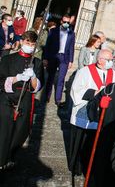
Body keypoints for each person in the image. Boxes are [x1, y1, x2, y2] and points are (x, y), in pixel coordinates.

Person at [68, 49, 115, 176]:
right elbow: (75, 90)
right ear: (100, 60)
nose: (111, 63)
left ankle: (87, 165)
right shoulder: (85, 71)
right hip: (84, 111)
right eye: (109, 60)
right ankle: (75, 166)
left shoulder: (113, 74)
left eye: (112, 60)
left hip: (101, 113)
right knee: (80, 141)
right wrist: (95, 92)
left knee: (92, 143)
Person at [0, 31, 44, 170]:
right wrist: (17, 78)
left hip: (25, 98)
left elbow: (36, 87)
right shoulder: (8, 59)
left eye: (32, 44)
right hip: (7, 97)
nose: (30, 46)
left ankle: (10, 155)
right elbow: (1, 81)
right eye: (27, 43)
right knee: (4, 131)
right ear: (22, 42)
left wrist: (33, 77)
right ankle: (1, 160)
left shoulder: (36, 62)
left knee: (20, 131)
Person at [43, 14, 76, 106]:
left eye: (68, 22)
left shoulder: (71, 34)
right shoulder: (53, 31)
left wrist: (71, 60)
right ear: (61, 21)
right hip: (53, 56)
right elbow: (47, 45)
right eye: (64, 22)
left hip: (64, 58)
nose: (66, 24)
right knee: (51, 77)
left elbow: (71, 48)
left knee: (61, 79)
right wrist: (45, 58)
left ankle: (58, 99)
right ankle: (47, 96)